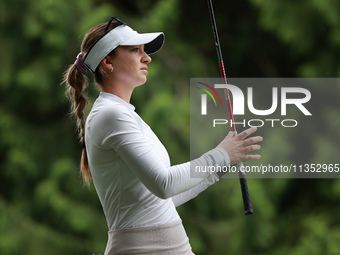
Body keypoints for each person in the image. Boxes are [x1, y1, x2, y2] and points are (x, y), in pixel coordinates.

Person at [63, 17, 262, 255]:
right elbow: (164, 184)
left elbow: (158, 201)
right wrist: (219, 155)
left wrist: (219, 168)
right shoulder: (111, 115)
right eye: (135, 50)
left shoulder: (125, 114)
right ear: (107, 62)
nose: (147, 58)